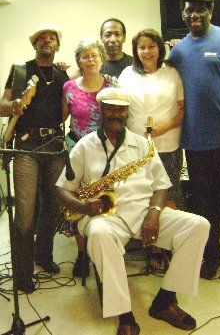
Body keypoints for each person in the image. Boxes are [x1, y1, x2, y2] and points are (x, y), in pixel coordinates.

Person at [56, 87, 210, 334]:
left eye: (120, 110)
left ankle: (165, 300)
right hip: (105, 217)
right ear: (102, 110)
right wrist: (84, 207)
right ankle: (125, 315)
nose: (116, 114)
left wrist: (154, 212)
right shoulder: (84, 146)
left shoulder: (143, 145)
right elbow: (63, 189)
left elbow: (161, 186)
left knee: (199, 225)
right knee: (100, 235)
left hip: (144, 212)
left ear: (126, 113)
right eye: (110, 109)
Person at [167, 0, 220, 279]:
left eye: (200, 9)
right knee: (204, 206)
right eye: (189, 9)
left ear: (210, 11)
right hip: (195, 143)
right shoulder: (178, 51)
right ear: (183, 13)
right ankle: (213, 256)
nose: (195, 14)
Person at [0, 24, 69, 293]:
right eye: (42, 38)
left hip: (54, 146)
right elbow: (2, 105)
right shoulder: (21, 70)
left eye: (52, 38)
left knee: (53, 207)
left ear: (57, 46)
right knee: (25, 213)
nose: (47, 40)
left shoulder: (62, 74)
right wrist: (14, 105)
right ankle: (22, 272)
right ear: (35, 45)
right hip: (26, 146)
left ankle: (44, 256)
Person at [119, 28, 184, 270]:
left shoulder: (172, 73)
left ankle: (166, 248)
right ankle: (150, 246)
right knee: (143, 197)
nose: (147, 51)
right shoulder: (127, 74)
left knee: (168, 195)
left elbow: (181, 111)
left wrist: (162, 128)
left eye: (151, 46)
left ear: (159, 48)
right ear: (136, 51)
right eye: (141, 47)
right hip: (136, 148)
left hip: (167, 144)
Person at [61, 38, 116, 277]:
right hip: (76, 148)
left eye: (94, 55)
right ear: (79, 62)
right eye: (85, 56)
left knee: (103, 196)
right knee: (78, 199)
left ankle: (105, 245)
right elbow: (60, 119)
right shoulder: (69, 87)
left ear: (101, 58)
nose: (90, 60)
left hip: (105, 149)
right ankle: (82, 254)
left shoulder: (112, 85)